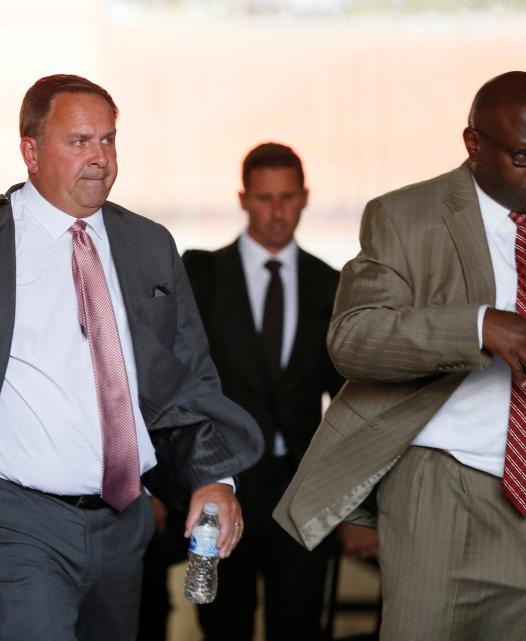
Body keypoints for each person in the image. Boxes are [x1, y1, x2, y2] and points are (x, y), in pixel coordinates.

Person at [274, 70, 526, 640]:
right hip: (453, 502)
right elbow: (354, 338)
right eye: (524, 155)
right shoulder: (406, 218)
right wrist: (476, 327)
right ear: (473, 145)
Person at [0, 74, 263, 641]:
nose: (100, 158)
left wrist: (214, 480)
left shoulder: (148, 245)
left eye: (108, 140)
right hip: (7, 521)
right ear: (30, 151)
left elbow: (186, 375)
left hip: (122, 525)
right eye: (79, 141)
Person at [175, 142, 344, 641]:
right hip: (222, 484)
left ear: (305, 197)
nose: (277, 211)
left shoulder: (330, 284)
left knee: (300, 625)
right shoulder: (202, 276)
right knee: (223, 624)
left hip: (302, 491)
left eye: (288, 197)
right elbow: (179, 385)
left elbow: (350, 399)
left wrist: (353, 506)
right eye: (265, 198)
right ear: (244, 198)